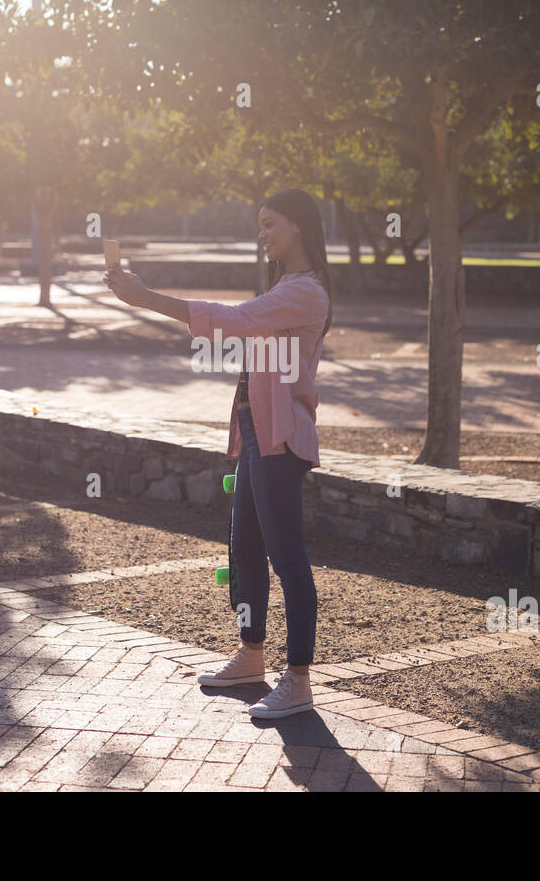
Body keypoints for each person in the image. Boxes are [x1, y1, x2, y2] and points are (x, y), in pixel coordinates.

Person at [104, 189, 333, 719]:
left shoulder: (307, 290)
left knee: (288, 559)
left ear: (297, 227)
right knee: (246, 548)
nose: (262, 234)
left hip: (280, 439)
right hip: (257, 432)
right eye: (260, 225)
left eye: (269, 224)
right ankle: (252, 655)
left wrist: (147, 299)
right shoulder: (288, 285)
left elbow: (232, 319)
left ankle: (298, 681)